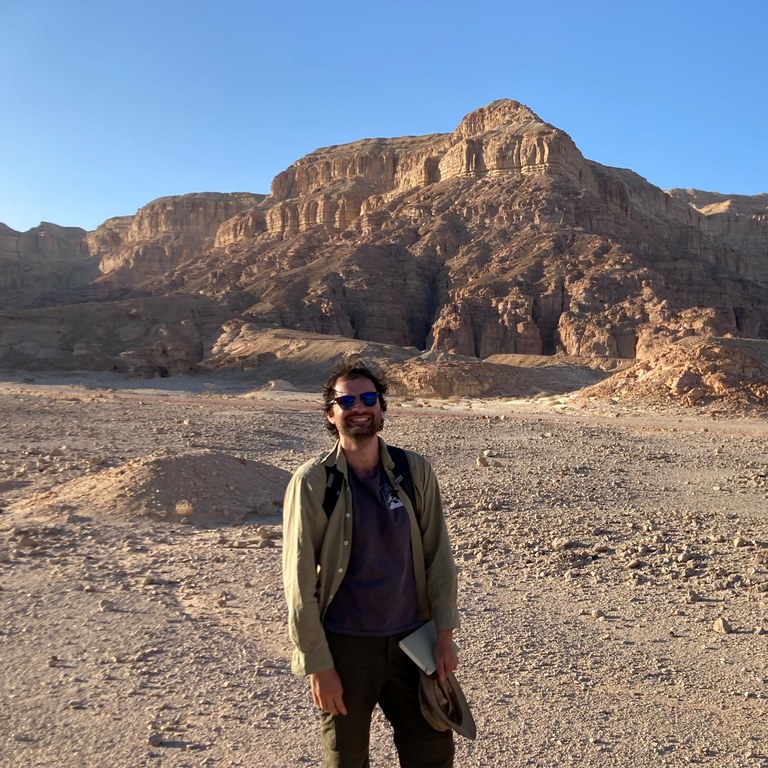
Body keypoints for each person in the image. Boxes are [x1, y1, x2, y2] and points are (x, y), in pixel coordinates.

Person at [282, 361, 460, 768]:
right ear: (331, 414)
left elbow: (439, 556)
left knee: (432, 752)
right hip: (345, 648)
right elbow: (298, 580)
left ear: (382, 408)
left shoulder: (414, 471)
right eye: (345, 400)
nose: (358, 407)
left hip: (414, 644)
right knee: (346, 759)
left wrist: (444, 635)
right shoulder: (313, 481)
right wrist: (318, 665)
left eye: (368, 399)